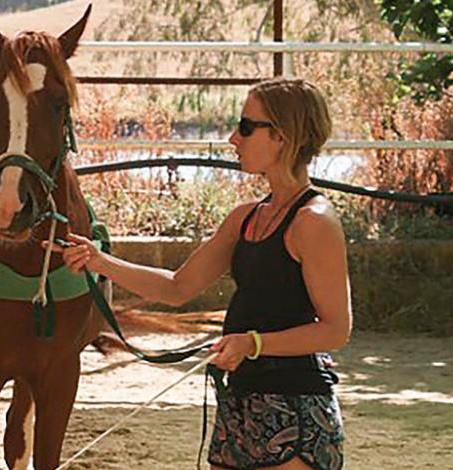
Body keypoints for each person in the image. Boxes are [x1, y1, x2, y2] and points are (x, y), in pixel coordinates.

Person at [52, 78, 350, 470]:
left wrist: (253, 344)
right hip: (239, 403)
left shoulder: (315, 222)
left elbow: (335, 330)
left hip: (294, 409)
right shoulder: (245, 217)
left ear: (281, 136)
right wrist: (98, 260)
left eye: (245, 127)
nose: (232, 138)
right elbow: (177, 287)